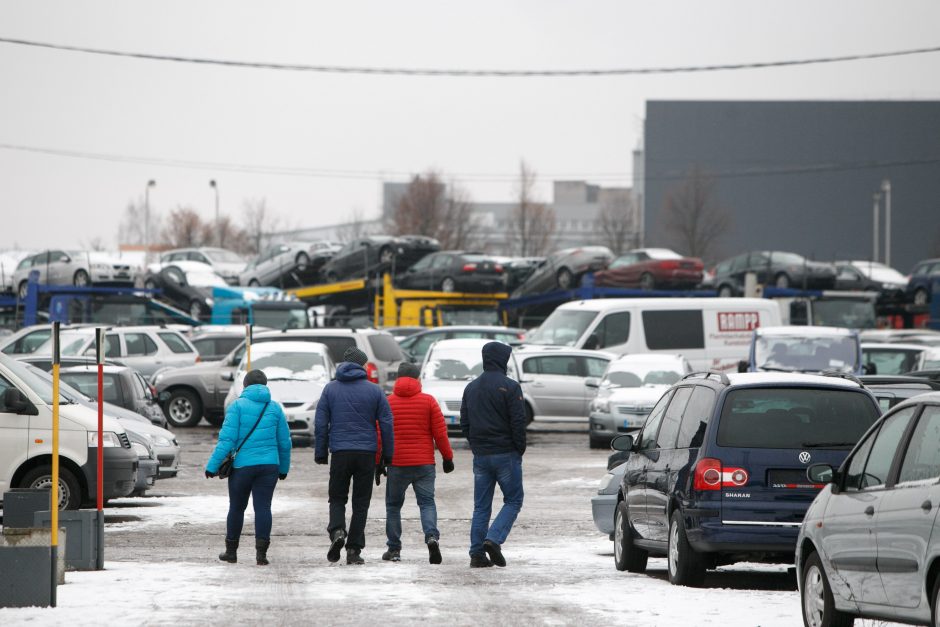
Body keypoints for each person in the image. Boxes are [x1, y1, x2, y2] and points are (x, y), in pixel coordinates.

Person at [315, 346, 394, 565]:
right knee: (361, 502)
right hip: (366, 454)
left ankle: (338, 531)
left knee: (337, 497)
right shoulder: (375, 390)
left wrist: (321, 451)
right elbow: (387, 423)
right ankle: (354, 550)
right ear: (362, 365)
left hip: (340, 452)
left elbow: (321, 423)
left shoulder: (330, 389)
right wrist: (387, 455)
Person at [205, 369, 291, 566]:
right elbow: (284, 442)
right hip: (269, 465)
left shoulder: (237, 407)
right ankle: (261, 555)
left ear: (245, 386)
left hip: (242, 466)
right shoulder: (275, 408)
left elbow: (226, 440)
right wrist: (283, 468)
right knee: (263, 508)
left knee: (236, 508)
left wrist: (212, 466)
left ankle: (231, 552)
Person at [459, 341, 526, 568]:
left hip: (481, 455)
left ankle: (477, 554)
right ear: (502, 359)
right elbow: (518, 422)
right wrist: (519, 448)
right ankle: (493, 539)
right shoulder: (511, 387)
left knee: (481, 506)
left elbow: (464, 423)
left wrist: (476, 444)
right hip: (506, 452)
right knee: (514, 500)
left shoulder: (471, 387)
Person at [381, 362, 454, 565]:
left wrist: (379, 460)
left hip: (397, 463)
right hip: (424, 464)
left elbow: (381, 434)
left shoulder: (388, 402)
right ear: (417, 379)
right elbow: (440, 433)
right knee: (427, 503)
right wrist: (447, 458)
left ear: (398, 379)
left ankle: (394, 549)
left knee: (393, 506)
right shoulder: (428, 401)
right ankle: (431, 537)